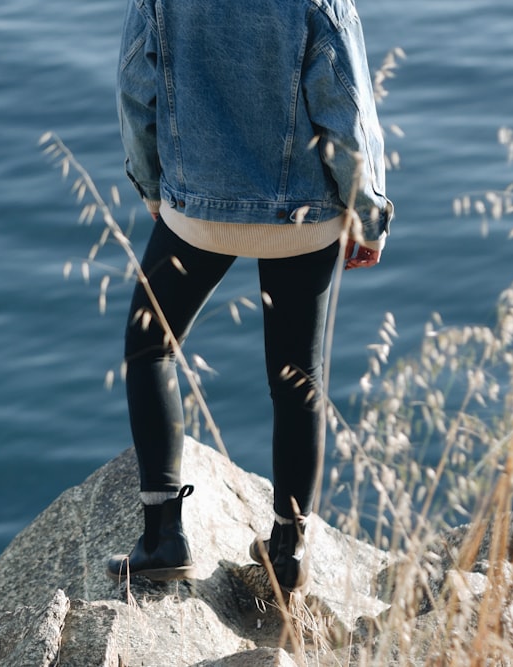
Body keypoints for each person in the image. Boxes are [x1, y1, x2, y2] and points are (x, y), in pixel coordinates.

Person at [105, 0, 394, 592]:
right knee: (297, 378)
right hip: (303, 215)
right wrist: (367, 214)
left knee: (149, 347)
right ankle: (289, 550)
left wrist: (153, 185)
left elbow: (136, 84)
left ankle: (163, 537)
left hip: (198, 209)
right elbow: (349, 109)